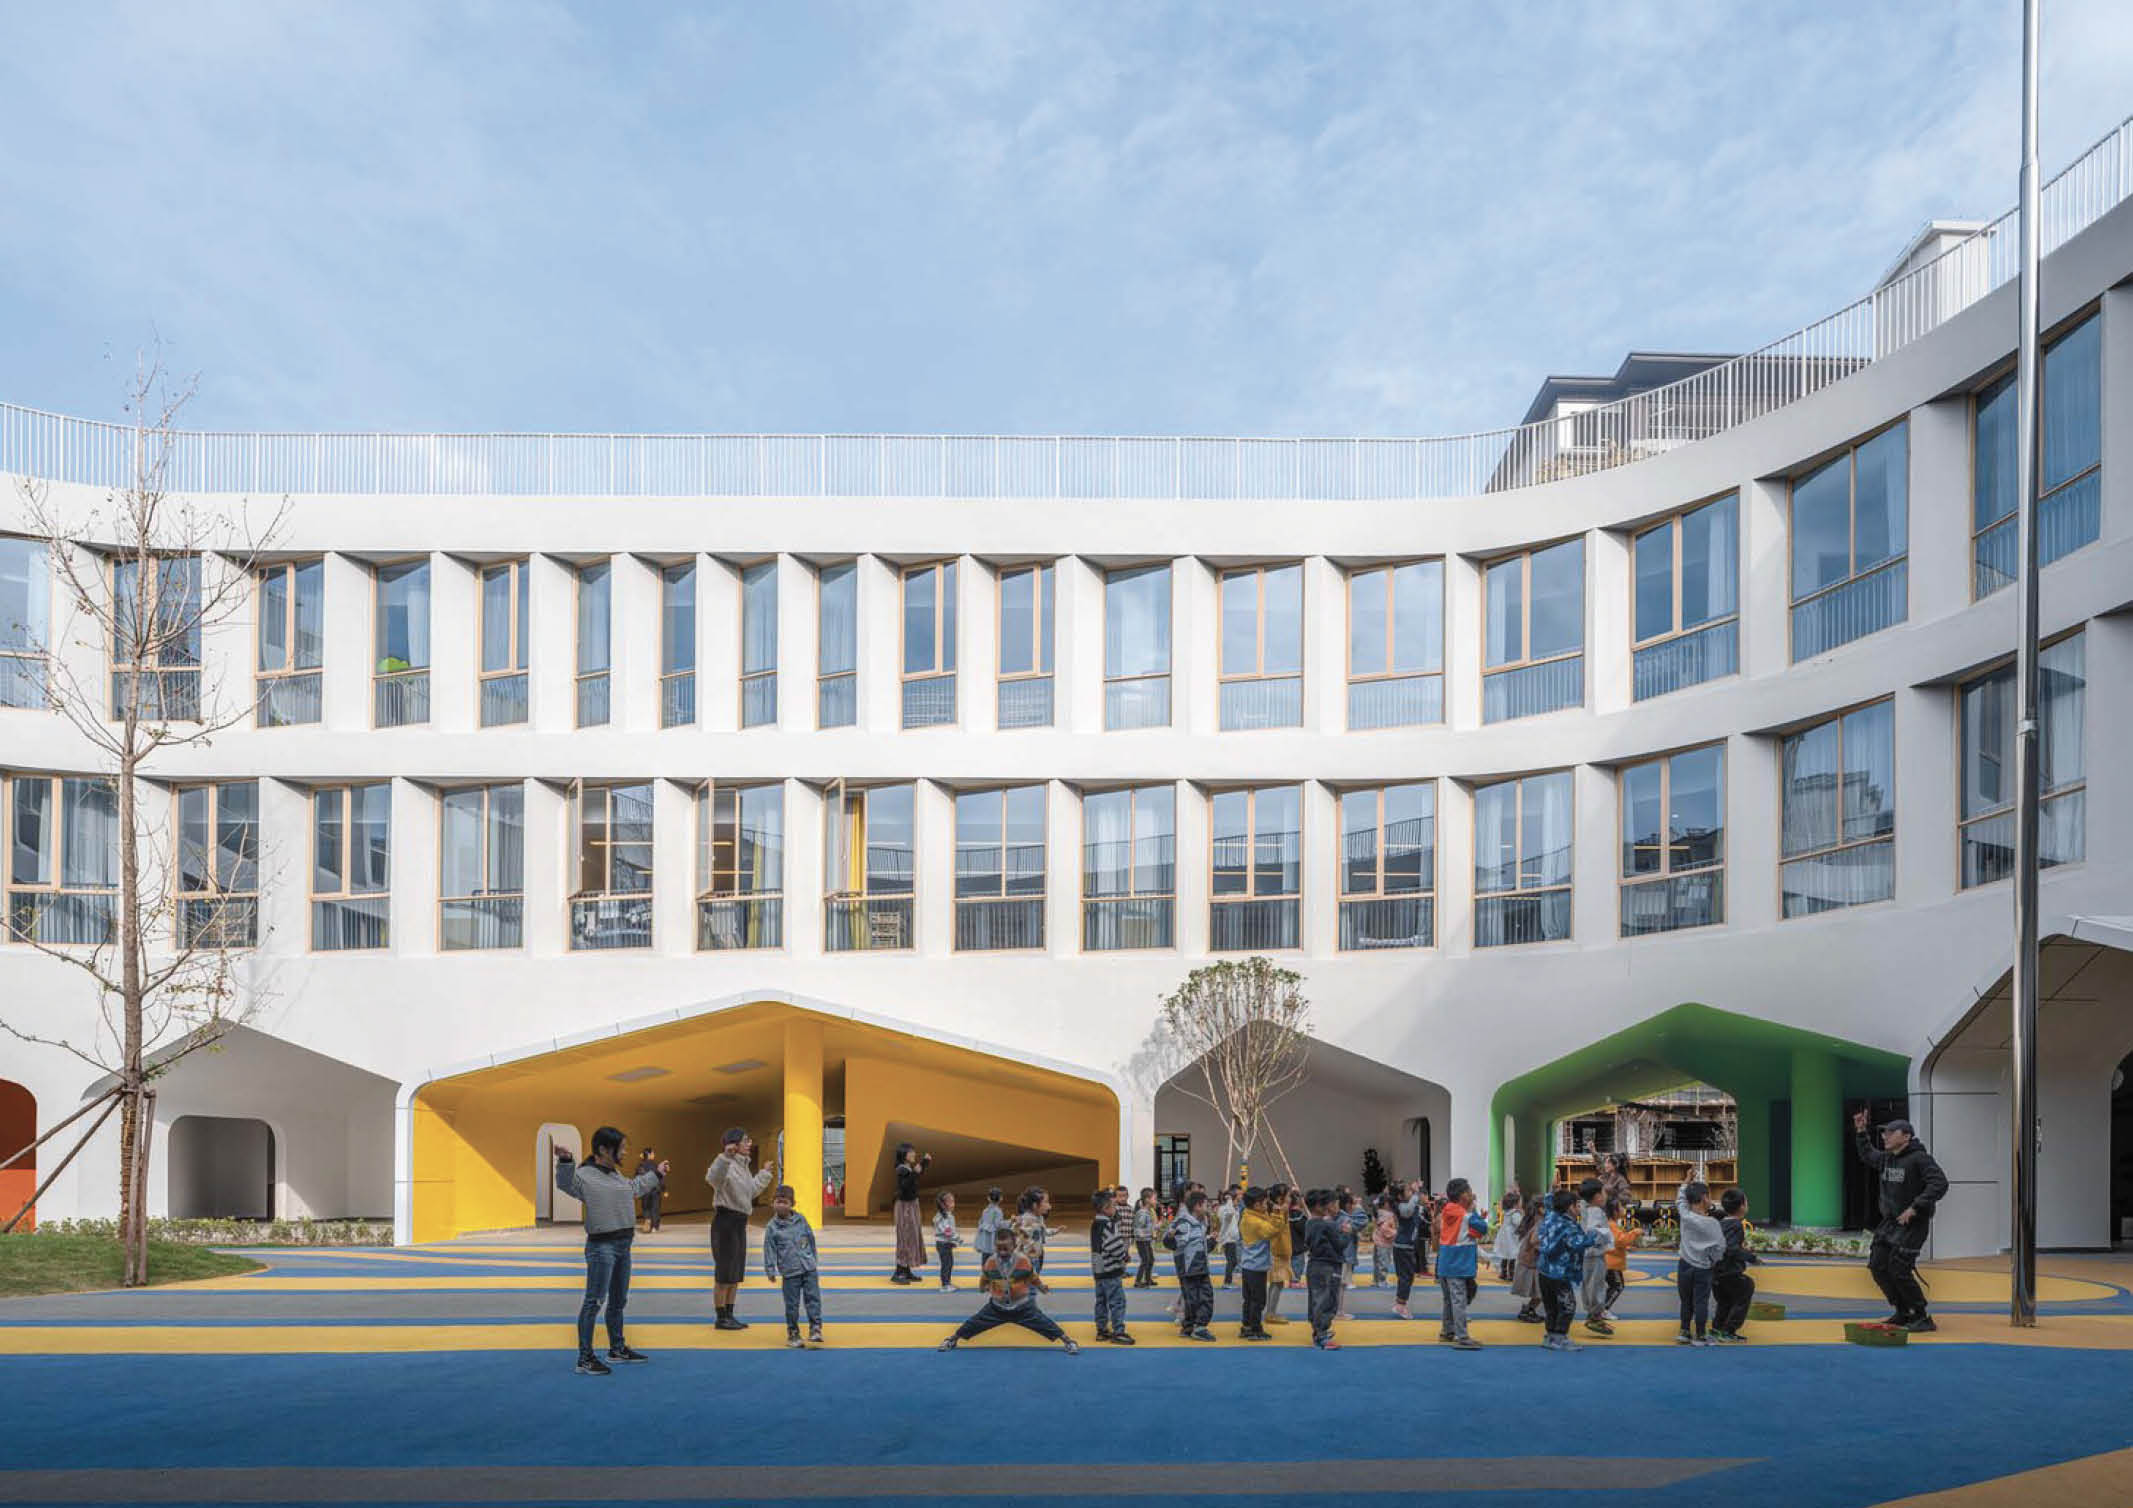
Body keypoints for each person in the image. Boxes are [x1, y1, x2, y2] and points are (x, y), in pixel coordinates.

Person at [554, 1128, 669, 1375]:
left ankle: (617, 1349)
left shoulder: (615, 1175)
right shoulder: (584, 1176)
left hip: (623, 1246)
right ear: (604, 1150)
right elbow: (564, 1183)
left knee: (618, 1301)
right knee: (594, 1302)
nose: (625, 1152)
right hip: (602, 1247)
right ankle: (585, 1358)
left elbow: (634, 1187)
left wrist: (656, 1174)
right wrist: (565, 1161)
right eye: (622, 1148)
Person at [1853, 1108, 1949, 1333]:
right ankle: (1903, 1311)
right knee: (1877, 1265)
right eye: (1884, 1132)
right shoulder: (1887, 1159)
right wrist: (1861, 1131)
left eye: (1890, 1132)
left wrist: (1915, 1207)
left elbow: (1940, 1183)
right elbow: (1868, 1155)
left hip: (1913, 1224)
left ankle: (1921, 1316)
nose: (1885, 1136)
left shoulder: (1920, 1159)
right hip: (1890, 1223)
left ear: (1906, 1136)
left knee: (1899, 1268)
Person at [937, 1225, 1078, 1354]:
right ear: (994, 1247)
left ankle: (1068, 1341)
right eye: (999, 1248)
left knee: (1044, 1323)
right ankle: (952, 1339)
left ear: (1014, 1246)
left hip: (1022, 1307)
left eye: (1006, 1248)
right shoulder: (991, 1262)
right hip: (997, 1307)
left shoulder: (1023, 1261)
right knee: (974, 1323)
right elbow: (985, 1277)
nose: (1002, 1252)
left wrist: (1041, 1287)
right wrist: (982, 1286)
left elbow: (1032, 1276)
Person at [704, 1127, 776, 1332]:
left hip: (739, 1223)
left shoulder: (743, 1166)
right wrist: (725, 1157)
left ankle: (729, 1314)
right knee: (724, 1273)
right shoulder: (726, 1164)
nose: (749, 1143)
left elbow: (750, 1192)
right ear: (734, 1144)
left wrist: (764, 1174)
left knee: (735, 1273)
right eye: (745, 1140)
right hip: (725, 1222)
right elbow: (712, 1178)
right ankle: (721, 1317)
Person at [1535, 1188, 1599, 1353]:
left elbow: (1548, 1201)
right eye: (1577, 1205)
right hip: (1559, 1272)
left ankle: (1550, 1336)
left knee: (1551, 1306)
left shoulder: (1550, 1216)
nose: (1580, 1208)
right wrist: (1593, 1236)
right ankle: (1560, 1337)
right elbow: (1578, 1243)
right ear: (1570, 1207)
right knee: (1567, 1305)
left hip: (1543, 1270)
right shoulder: (1568, 1226)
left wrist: (1553, 1192)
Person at [761, 1184, 823, 1348]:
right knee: (792, 1305)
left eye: (785, 1202)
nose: (781, 1205)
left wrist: (813, 1259)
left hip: (808, 1268)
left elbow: (810, 1238)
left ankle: (816, 1328)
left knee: (813, 1299)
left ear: (792, 1204)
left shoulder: (801, 1220)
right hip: (789, 1272)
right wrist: (770, 1269)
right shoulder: (772, 1227)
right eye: (778, 1202)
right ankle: (793, 1333)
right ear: (773, 1203)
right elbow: (769, 1249)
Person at [1433, 1177, 1487, 1350]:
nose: (1472, 1194)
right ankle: (1462, 1336)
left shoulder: (1448, 1210)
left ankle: (1447, 1331)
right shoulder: (1465, 1214)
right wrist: (1473, 1210)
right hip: (1459, 1264)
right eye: (1469, 1191)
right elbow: (1482, 1228)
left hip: (1445, 1264)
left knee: (1449, 1301)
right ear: (1463, 1196)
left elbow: (1471, 1231)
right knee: (1459, 1301)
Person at [1674, 1178, 1724, 1346]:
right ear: (1704, 1198)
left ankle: (1684, 1331)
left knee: (1686, 1300)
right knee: (1701, 1301)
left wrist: (1685, 1182)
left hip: (1684, 1264)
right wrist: (1714, 1260)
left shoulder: (1686, 1216)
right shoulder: (1712, 1224)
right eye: (1709, 1196)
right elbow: (1720, 1247)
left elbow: (1680, 1201)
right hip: (1703, 1267)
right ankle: (1700, 1334)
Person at [1710, 1189, 1763, 1343]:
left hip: (1716, 1273)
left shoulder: (1721, 1223)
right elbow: (1731, 1248)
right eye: (1746, 1202)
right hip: (1729, 1271)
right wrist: (1751, 1257)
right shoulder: (1736, 1225)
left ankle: (1717, 1328)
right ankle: (1729, 1329)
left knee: (1725, 1301)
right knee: (1746, 1288)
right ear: (1742, 1206)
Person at [1166, 1188, 1216, 1340]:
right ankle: (1199, 1327)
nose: (1208, 1208)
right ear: (1197, 1206)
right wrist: (1170, 1238)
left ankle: (1189, 1326)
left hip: (1197, 1266)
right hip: (1191, 1268)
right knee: (1201, 1297)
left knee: (1192, 1298)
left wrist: (1211, 1241)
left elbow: (1199, 1246)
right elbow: (1173, 1243)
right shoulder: (1185, 1223)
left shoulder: (1198, 1223)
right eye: (1206, 1205)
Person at [1302, 1189, 1347, 1350]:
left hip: (1315, 1265)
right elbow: (1340, 1244)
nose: (1334, 1207)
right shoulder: (1326, 1225)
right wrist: (1346, 1233)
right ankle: (1321, 1334)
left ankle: (1319, 1331)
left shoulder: (1310, 1223)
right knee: (1327, 1300)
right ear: (1320, 1206)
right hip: (1328, 1265)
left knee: (1317, 1299)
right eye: (1332, 1204)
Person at [1089, 1188, 1134, 1344]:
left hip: (1098, 1269)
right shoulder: (1109, 1225)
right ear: (1106, 1208)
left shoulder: (1095, 1224)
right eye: (1114, 1206)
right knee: (1117, 1301)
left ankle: (1101, 1330)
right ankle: (1118, 1331)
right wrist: (1124, 1256)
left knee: (1101, 1301)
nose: (1116, 1209)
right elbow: (1114, 1247)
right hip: (1110, 1269)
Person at [1236, 1185, 1278, 1340]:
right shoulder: (1256, 1222)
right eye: (1265, 1203)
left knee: (1248, 1299)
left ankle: (1246, 1326)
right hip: (1256, 1266)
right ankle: (1256, 1329)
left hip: (1248, 1265)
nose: (1267, 1205)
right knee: (1258, 1300)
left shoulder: (1246, 1216)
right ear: (1256, 1205)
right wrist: (1279, 1214)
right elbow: (1273, 1230)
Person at [1576, 1177, 1616, 1338]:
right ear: (1598, 1196)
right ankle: (1594, 1316)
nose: (1606, 1195)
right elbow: (1593, 1231)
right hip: (1594, 1254)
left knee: (1591, 1283)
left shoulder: (1586, 1207)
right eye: (1604, 1192)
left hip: (1589, 1254)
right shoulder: (1596, 1212)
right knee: (1596, 1284)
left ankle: (1594, 1314)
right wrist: (1606, 1237)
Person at [890, 1142, 932, 1284]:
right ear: (904, 1155)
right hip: (905, 1207)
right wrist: (919, 1168)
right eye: (911, 1152)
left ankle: (906, 1270)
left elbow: (914, 1178)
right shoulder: (901, 1169)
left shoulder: (907, 1168)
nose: (914, 1154)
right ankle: (899, 1272)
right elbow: (905, 1185)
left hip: (911, 1205)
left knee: (912, 1236)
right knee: (905, 1237)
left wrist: (924, 1164)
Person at [1392, 1180, 1429, 1319]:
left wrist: (1417, 1193)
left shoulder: (1409, 1203)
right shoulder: (1402, 1206)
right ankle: (1400, 1305)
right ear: (1400, 1196)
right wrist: (1415, 1194)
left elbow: (1416, 1209)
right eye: (1408, 1191)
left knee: (1408, 1276)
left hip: (1408, 1246)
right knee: (1405, 1277)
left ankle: (1400, 1302)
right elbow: (1407, 1212)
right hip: (1403, 1247)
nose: (1411, 1193)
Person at [1602, 1197, 1638, 1321]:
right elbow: (1620, 1240)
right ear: (1615, 1211)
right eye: (1621, 1207)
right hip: (1611, 1263)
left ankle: (1601, 1308)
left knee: (1613, 1286)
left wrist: (1626, 1247)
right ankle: (1603, 1309)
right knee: (1617, 1286)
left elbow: (1615, 1242)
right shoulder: (1612, 1225)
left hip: (1610, 1261)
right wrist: (1635, 1232)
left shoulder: (1611, 1224)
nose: (1623, 1209)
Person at [1263, 1182, 1294, 1326]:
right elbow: (1276, 1229)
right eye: (1288, 1196)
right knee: (1277, 1282)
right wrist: (1281, 1211)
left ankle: (1271, 1312)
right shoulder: (1276, 1212)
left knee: (1277, 1283)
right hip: (1277, 1251)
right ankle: (1270, 1313)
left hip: (1282, 1250)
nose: (1290, 1199)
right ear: (1280, 1199)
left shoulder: (1280, 1210)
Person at [1510, 1193, 1543, 1323]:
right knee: (1541, 1292)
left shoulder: (1534, 1219)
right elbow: (1534, 1240)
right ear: (1542, 1209)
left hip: (1529, 1260)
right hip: (1532, 1262)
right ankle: (1528, 1310)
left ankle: (1529, 1309)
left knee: (1539, 1292)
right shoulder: (1540, 1222)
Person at [933, 1191, 963, 1293]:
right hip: (943, 1244)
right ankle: (945, 1285)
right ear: (943, 1204)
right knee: (946, 1264)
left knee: (949, 1264)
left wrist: (953, 1240)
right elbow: (947, 1231)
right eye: (950, 1202)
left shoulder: (948, 1215)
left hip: (946, 1243)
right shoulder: (942, 1217)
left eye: (953, 1201)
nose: (953, 1204)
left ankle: (947, 1282)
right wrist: (957, 1238)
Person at [1492, 1189, 1524, 1283]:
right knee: (1513, 1255)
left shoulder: (1506, 1212)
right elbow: (1518, 1223)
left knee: (1505, 1255)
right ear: (1515, 1204)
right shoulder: (1515, 1213)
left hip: (1504, 1236)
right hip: (1511, 1238)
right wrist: (1522, 1217)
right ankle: (1511, 1274)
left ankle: (1503, 1273)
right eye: (1519, 1202)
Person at [1132, 1187, 1159, 1288]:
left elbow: (1148, 1226)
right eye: (1154, 1199)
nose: (1156, 1201)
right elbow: (1138, 1227)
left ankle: (1148, 1279)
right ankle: (1138, 1281)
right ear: (1147, 1200)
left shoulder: (1148, 1212)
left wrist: (1156, 1227)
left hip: (1147, 1240)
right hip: (1142, 1241)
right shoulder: (1142, 1213)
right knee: (1145, 1260)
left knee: (1150, 1259)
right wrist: (1141, 1235)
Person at [974, 1186, 1005, 1269]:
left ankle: (985, 1274)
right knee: (994, 1261)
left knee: (985, 1260)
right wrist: (1009, 1223)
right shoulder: (998, 1211)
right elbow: (999, 1225)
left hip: (985, 1240)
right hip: (993, 1240)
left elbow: (980, 1223)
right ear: (1001, 1198)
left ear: (988, 1198)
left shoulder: (985, 1210)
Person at [1217, 1187, 1242, 1288]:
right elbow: (1229, 1215)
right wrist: (1229, 1201)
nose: (1237, 1202)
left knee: (1233, 1261)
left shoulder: (1235, 1209)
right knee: (1231, 1261)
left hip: (1232, 1239)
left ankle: (1228, 1281)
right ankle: (1227, 1282)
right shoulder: (1223, 1209)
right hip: (1227, 1239)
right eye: (1236, 1200)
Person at [636, 1147, 665, 1233]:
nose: (654, 1155)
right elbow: (660, 1177)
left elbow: (638, 1177)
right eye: (653, 1153)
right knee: (655, 1208)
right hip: (655, 1190)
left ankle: (647, 1220)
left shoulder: (641, 1165)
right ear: (649, 1154)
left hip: (646, 1190)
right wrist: (663, 1189)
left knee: (646, 1208)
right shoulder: (655, 1165)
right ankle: (654, 1227)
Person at [1370, 1194, 1396, 1288]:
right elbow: (1385, 1229)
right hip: (1384, 1242)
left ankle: (1376, 1280)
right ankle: (1382, 1280)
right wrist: (1395, 1233)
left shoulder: (1379, 1213)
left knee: (1377, 1261)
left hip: (1378, 1240)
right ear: (1386, 1204)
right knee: (1384, 1262)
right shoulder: (1388, 1215)